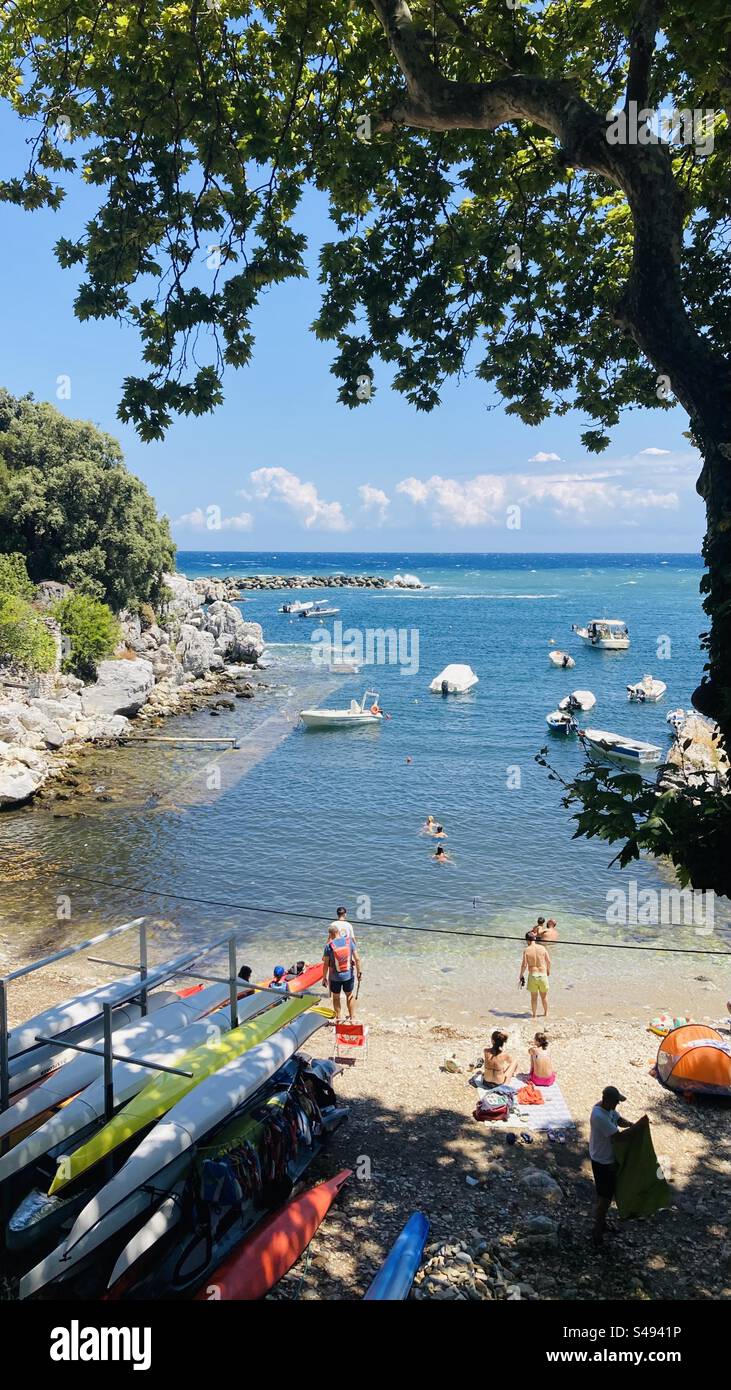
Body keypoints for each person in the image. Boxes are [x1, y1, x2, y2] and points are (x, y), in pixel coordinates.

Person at [589, 1086, 633, 1247]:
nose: (617, 1105)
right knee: (605, 1199)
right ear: (607, 1100)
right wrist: (637, 1130)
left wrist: (631, 1124)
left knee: (604, 1195)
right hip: (602, 1161)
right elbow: (617, 1137)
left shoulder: (608, 1110)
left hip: (607, 1158)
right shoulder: (598, 1116)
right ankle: (597, 1233)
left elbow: (618, 1119)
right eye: (615, 1102)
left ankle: (602, 1223)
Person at [322, 924, 362, 1021]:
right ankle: (352, 1017)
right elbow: (357, 959)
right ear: (338, 932)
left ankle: (338, 1018)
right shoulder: (349, 942)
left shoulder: (329, 946)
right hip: (348, 976)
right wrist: (359, 972)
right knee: (349, 995)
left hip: (335, 978)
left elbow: (325, 964)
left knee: (336, 997)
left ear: (331, 934)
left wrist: (324, 978)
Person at [519, 932, 551, 1017]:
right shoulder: (542, 948)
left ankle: (534, 1015)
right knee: (544, 997)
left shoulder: (526, 950)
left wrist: (521, 975)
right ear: (535, 938)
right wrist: (548, 971)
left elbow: (524, 965)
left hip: (533, 975)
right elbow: (548, 961)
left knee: (534, 998)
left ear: (527, 940)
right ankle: (545, 1013)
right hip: (543, 975)